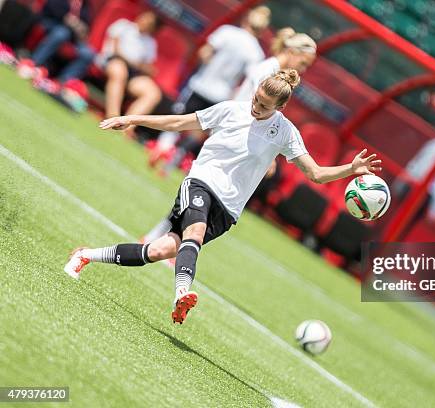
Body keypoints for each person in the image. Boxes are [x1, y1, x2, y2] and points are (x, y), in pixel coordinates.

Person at [64, 69, 382, 324]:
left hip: (228, 210)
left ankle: (86, 255)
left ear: (281, 109)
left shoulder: (285, 132)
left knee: (159, 250)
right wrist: (133, 119)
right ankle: (181, 294)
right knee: (195, 234)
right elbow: (179, 122)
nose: (256, 106)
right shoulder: (230, 110)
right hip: (201, 182)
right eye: (256, 98)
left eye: (264, 106)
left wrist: (351, 169)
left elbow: (315, 173)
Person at [141, 29, 318, 243]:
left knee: (201, 199)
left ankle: (160, 239)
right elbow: (256, 111)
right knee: (202, 196)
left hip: (237, 138)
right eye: (304, 63)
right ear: (292, 51)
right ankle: (166, 242)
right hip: (234, 139)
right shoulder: (268, 71)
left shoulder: (272, 69)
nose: (303, 69)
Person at [150, 5, 271, 169]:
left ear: (246, 18)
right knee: (201, 129)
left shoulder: (227, 32)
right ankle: (176, 156)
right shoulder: (256, 53)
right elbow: (247, 81)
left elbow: (204, 53)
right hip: (222, 95)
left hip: (201, 84)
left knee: (179, 117)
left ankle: (161, 149)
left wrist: (209, 64)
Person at [96, 10, 162, 126]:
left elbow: (148, 68)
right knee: (120, 72)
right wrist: (136, 64)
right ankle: (113, 117)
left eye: (150, 22)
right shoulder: (123, 25)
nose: (145, 21)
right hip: (112, 61)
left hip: (133, 73)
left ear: (153, 28)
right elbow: (117, 51)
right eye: (145, 17)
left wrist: (143, 68)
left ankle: (127, 126)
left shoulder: (151, 43)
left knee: (153, 93)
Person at [391, 137, 435, 231]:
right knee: (395, 218)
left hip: (424, 194)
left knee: (403, 224)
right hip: (414, 187)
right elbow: (417, 163)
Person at [17, 0, 95, 83]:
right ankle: (33, 63)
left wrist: (76, 25)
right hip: (52, 23)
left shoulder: (85, 5)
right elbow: (55, 10)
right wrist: (72, 22)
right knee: (62, 33)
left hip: (72, 35)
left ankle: (62, 82)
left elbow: (85, 28)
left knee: (88, 53)